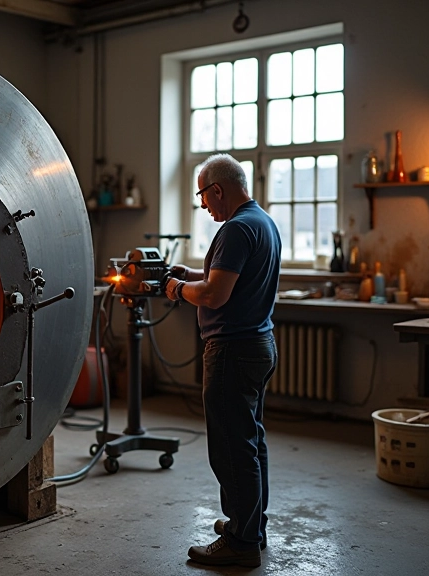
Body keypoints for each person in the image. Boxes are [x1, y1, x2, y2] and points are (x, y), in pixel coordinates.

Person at [165, 153, 281, 568]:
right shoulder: (262, 222)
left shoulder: (235, 230)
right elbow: (222, 280)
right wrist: (192, 274)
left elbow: (215, 295)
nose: (203, 205)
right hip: (259, 344)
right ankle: (253, 524)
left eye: (203, 196)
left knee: (232, 447)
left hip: (233, 351)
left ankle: (241, 542)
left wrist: (177, 288)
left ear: (217, 189)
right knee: (250, 441)